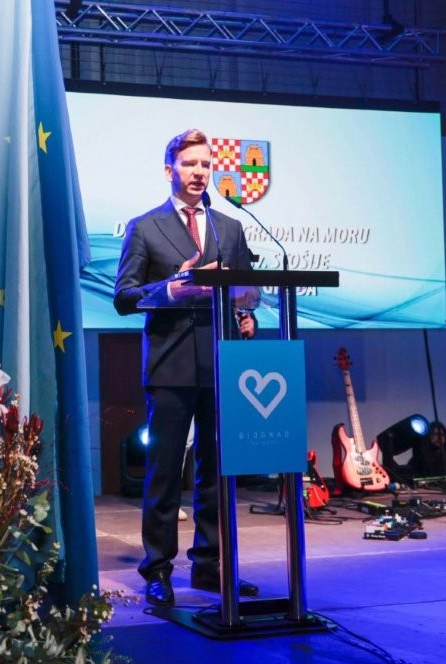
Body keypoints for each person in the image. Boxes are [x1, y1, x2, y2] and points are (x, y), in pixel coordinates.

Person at [113, 129, 257, 607]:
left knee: (216, 471)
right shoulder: (145, 227)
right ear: (169, 170)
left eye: (205, 165)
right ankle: (157, 569)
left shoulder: (228, 228)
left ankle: (210, 566)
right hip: (170, 365)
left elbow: (246, 291)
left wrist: (246, 314)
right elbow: (123, 297)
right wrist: (172, 289)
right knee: (165, 473)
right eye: (190, 164)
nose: (199, 172)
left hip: (219, 362)